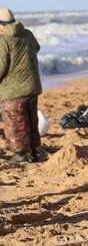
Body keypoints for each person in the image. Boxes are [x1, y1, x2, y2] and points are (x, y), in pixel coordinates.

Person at [0, 8, 43, 164]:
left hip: (12, 90)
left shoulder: (3, 40)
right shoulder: (28, 34)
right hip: (32, 86)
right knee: (31, 121)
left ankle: (21, 154)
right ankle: (36, 151)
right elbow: (36, 48)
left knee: (15, 123)